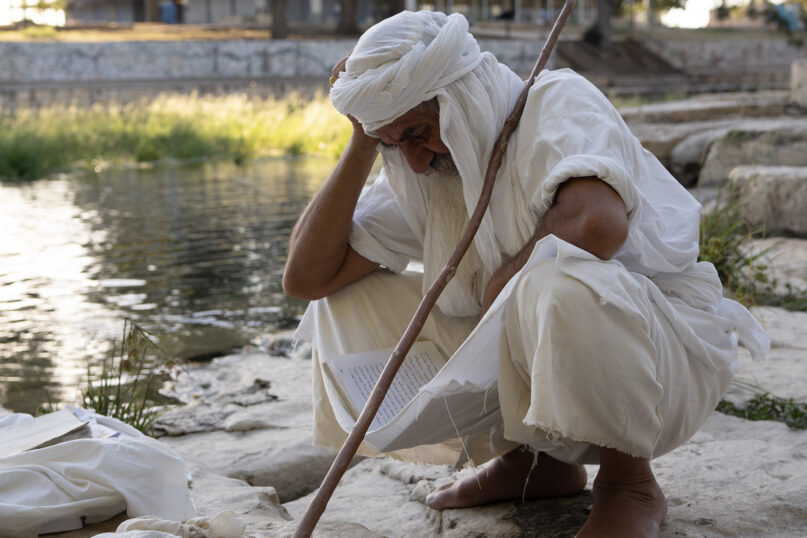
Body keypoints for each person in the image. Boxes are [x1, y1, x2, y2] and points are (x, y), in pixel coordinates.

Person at [283, 10, 768, 537]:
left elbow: (596, 224)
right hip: (547, 368)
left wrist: (499, 287)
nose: (415, 161)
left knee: (556, 281)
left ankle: (629, 483)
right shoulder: (425, 166)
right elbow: (308, 277)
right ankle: (535, 463)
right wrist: (362, 140)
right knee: (349, 298)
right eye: (393, 143)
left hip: (663, 362)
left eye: (419, 132)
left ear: (459, 98)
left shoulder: (554, 101)